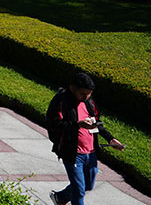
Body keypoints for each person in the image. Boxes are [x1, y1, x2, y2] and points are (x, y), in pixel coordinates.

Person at [47, 72, 124, 205]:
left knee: (88, 185)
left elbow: (96, 123)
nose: (86, 97)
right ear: (72, 88)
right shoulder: (61, 101)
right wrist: (77, 125)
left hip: (91, 152)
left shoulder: (89, 102)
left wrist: (110, 139)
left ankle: (60, 198)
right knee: (79, 190)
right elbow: (53, 124)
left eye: (89, 94)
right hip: (72, 153)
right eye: (83, 93)